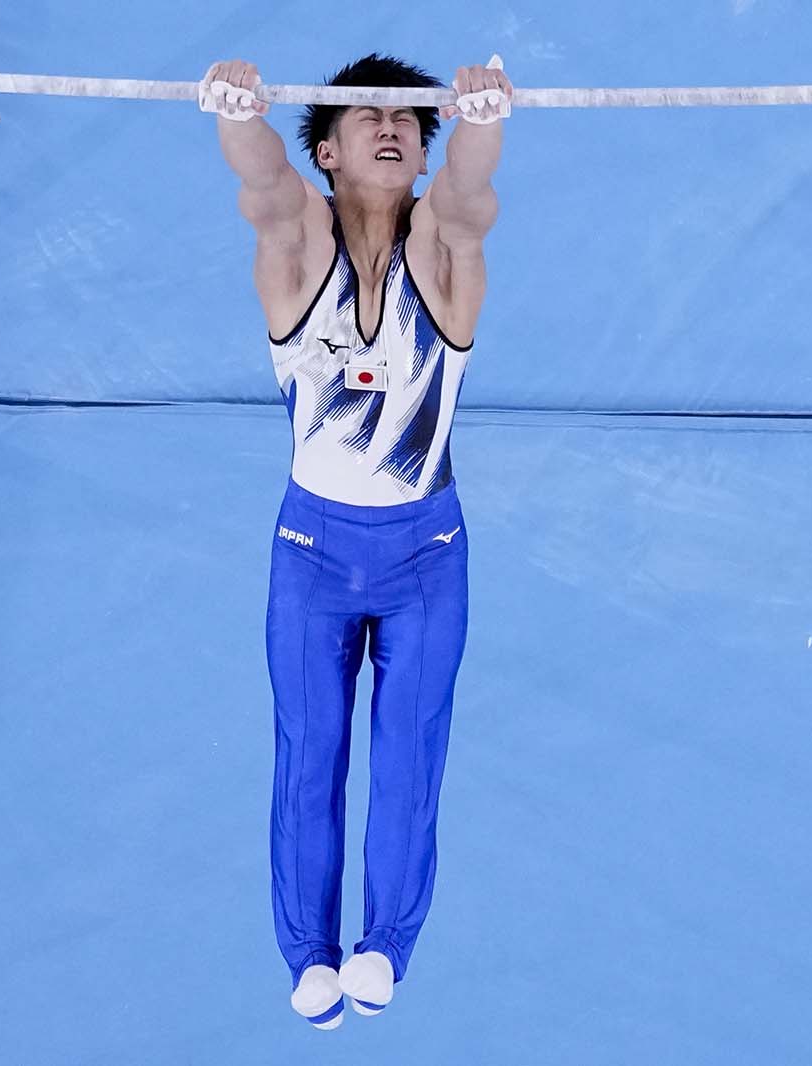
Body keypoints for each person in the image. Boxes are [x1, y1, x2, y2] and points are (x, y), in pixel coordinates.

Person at [203, 51, 513, 1029]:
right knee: (310, 756)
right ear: (326, 150)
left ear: (421, 149)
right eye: (365, 117)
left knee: (408, 756)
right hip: (311, 553)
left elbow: (468, 189)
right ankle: (309, 953)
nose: (390, 126)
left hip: (426, 557)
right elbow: (258, 179)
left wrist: (481, 118)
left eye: (409, 120)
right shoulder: (294, 247)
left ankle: (382, 944)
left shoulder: (443, 250)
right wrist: (239, 108)